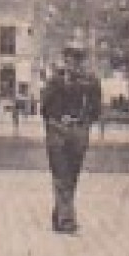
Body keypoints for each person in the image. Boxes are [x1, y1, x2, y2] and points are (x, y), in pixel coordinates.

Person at [40, 43, 102, 234]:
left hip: (79, 133)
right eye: (69, 59)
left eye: (76, 60)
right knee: (61, 175)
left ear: (81, 62)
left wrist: (83, 122)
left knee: (72, 176)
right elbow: (44, 108)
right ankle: (67, 221)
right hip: (57, 131)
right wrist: (58, 119)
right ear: (64, 60)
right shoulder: (54, 81)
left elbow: (96, 109)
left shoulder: (91, 83)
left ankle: (59, 215)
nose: (72, 64)